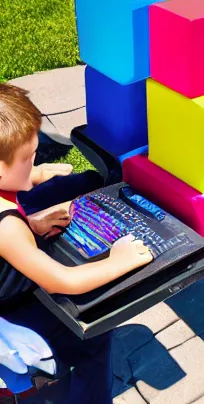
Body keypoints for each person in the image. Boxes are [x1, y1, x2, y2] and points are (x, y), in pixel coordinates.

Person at [0, 83, 153, 403]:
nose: (35, 162)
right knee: (95, 335)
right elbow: (65, 280)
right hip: (15, 317)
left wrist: (33, 224)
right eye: (29, 158)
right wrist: (120, 259)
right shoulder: (7, 230)